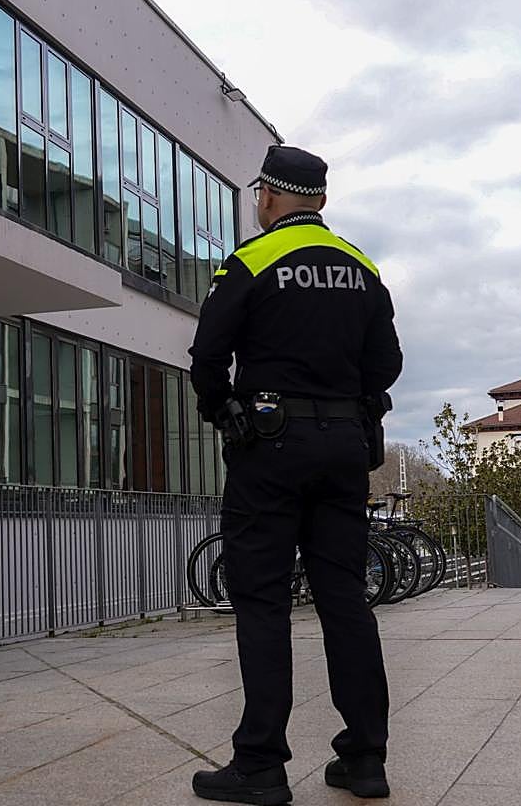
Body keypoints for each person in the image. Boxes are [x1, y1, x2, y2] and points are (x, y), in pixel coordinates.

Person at [188, 145, 403, 805]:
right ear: (323, 203)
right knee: (345, 600)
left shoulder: (251, 261)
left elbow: (207, 357)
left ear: (270, 199)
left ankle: (260, 764)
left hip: (270, 448)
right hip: (343, 446)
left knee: (263, 600)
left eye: (259, 194)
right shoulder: (362, 267)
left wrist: (223, 410)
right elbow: (386, 363)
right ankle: (365, 759)